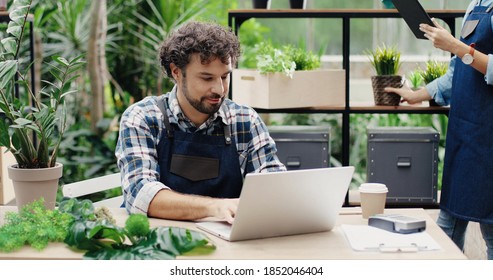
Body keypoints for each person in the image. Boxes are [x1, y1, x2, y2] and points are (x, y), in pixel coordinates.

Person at [115, 21, 286, 224]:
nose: (220, 90)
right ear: (176, 72)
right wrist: (216, 207)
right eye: (207, 78)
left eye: (224, 77)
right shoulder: (143, 118)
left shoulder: (245, 121)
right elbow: (141, 195)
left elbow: (274, 186)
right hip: (162, 245)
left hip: (230, 247)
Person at [385, 0, 493, 259]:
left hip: (489, 137)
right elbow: (456, 74)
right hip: (465, 133)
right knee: (447, 228)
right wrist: (416, 95)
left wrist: (455, 45)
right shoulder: (475, 5)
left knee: (491, 230)